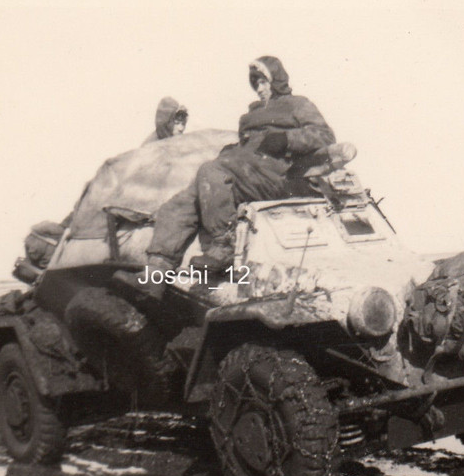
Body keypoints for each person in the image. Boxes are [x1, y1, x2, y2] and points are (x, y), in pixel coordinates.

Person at [123, 56, 335, 296]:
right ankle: (156, 273)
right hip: (248, 172)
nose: (260, 89)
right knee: (180, 203)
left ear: (277, 80)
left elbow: (325, 135)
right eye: (256, 83)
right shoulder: (253, 114)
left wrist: (287, 139)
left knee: (210, 171)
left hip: (277, 175)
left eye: (264, 82)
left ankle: (224, 245)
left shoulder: (298, 104)